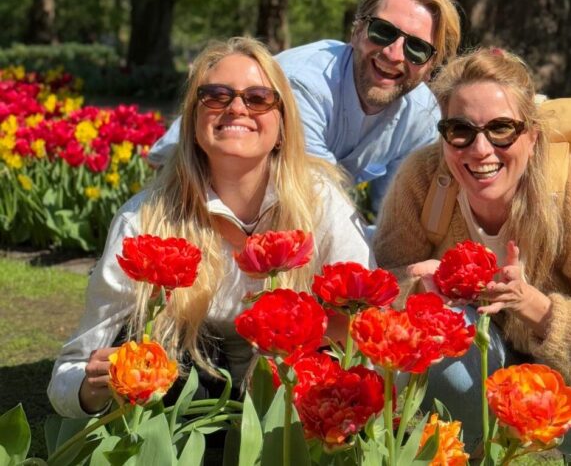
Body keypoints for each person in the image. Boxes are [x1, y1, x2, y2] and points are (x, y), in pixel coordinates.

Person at [48, 37, 373, 418]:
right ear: (194, 119)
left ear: (283, 123)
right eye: (216, 96)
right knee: (156, 348)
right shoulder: (146, 219)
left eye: (258, 98)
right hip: (184, 400)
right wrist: (92, 388)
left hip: (289, 403)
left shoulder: (321, 203)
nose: (237, 108)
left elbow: (364, 329)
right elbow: (68, 375)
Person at [373, 48, 571, 456]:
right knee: (440, 327)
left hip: (561, 371)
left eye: (501, 129)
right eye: (461, 130)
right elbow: (380, 287)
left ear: (532, 135)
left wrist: (535, 306)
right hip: (471, 359)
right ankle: (468, 452)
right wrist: (415, 286)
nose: (481, 150)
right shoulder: (423, 178)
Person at [149, 0, 461, 211]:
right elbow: (317, 193)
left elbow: (396, 210)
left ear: (430, 66)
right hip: (191, 187)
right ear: (356, 31)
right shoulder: (303, 83)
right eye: (383, 31)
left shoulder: (422, 116)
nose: (394, 54)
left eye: (417, 48)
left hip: (276, 205)